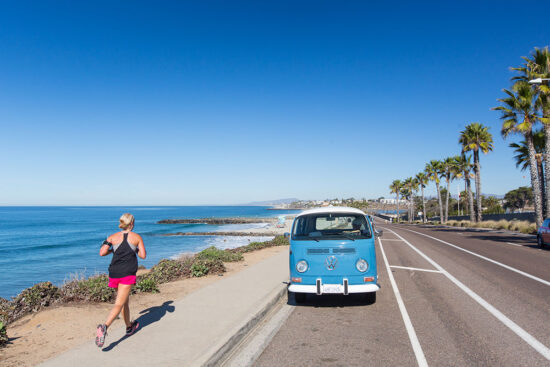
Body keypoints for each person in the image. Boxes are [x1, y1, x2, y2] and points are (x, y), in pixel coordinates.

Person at [95, 213, 147, 348]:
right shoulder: (136, 237)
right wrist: (134, 249)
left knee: (124, 302)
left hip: (114, 272)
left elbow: (102, 252)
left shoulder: (112, 237)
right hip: (127, 273)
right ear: (131, 224)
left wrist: (112, 250)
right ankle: (104, 327)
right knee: (119, 304)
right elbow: (143, 256)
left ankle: (129, 326)